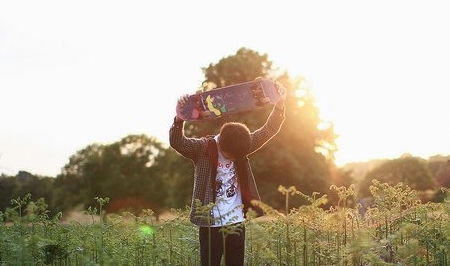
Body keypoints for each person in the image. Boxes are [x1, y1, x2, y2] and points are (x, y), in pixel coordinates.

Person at [169, 82, 286, 266]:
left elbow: (268, 130)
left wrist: (279, 105)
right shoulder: (202, 149)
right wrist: (179, 119)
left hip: (236, 222)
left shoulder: (243, 145)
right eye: (231, 156)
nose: (235, 159)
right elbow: (178, 142)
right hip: (210, 224)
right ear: (221, 144)